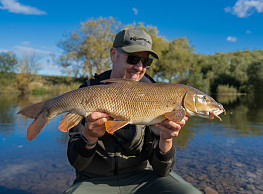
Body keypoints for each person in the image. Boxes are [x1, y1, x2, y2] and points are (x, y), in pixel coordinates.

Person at [64, 28, 201, 194]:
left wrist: (166, 140)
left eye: (146, 62)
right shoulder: (88, 91)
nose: (139, 67)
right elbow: (77, 163)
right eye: (133, 58)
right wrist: (90, 137)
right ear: (114, 54)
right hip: (94, 180)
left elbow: (163, 171)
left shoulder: (156, 95)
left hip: (142, 177)